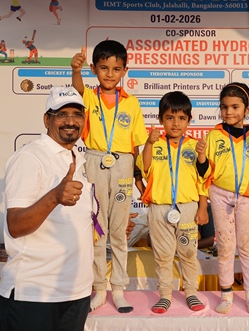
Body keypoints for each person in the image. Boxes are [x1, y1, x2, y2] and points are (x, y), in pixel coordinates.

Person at [0, 86, 94, 331]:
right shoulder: (30, 157)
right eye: (61, 114)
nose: (70, 121)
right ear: (46, 120)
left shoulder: (78, 159)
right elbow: (15, 225)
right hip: (34, 296)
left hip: (76, 293)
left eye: (77, 114)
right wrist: (54, 197)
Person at [71, 41, 148, 313]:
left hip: (124, 164)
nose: (110, 74)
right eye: (104, 68)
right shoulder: (89, 97)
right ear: (94, 69)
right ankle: (99, 289)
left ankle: (118, 289)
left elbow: (136, 145)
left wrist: (138, 178)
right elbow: (77, 90)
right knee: (97, 229)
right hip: (95, 160)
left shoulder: (131, 102)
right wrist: (76, 71)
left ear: (125, 70)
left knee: (118, 230)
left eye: (116, 69)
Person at [196, 83, 249, 315]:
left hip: (246, 196)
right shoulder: (214, 135)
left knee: (246, 246)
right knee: (225, 246)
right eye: (224, 107)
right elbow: (204, 174)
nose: (228, 112)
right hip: (219, 194)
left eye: (235, 107)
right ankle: (226, 294)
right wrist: (201, 156)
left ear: (247, 109)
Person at [136, 91, 209, 314]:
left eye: (181, 118)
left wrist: (203, 208)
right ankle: (165, 295)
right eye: (169, 117)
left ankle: (191, 292)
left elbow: (203, 179)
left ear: (189, 120)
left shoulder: (195, 145)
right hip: (160, 208)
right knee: (163, 255)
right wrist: (149, 143)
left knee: (188, 253)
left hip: (188, 208)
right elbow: (145, 168)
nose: (175, 123)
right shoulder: (155, 143)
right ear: (160, 119)